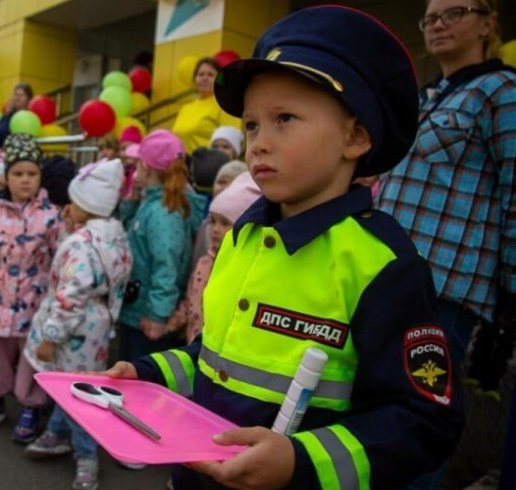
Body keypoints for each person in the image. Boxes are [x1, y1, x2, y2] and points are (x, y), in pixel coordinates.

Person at [104, 7, 463, 489]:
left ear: (355, 136)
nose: (258, 144)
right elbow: (216, 361)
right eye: (252, 125)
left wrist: (300, 460)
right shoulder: (241, 236)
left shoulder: (382, 265)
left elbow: (423, 422)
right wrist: (149, 374)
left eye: (284, 119)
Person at [378, 0, 515, 394]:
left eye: (454, 14)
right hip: (390, 272)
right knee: (377, 402)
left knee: (421, 410)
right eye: (430, 19)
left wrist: (511, 288)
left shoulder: (502, 90)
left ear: (487, 23)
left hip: (445, 287)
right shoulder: (429, 95)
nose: (438, 25)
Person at [23, 158, 133, 490]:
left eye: (75, 202)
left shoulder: (80, 244)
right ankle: (57, 433)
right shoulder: (115, 237)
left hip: (74, 330)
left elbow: (70, 296)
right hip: (97, 327)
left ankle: (87, 457)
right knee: (72, 386)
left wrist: (51, 336)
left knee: (79, 395)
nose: (69, 207)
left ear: (86, 206)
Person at [0, 133, 62, 443]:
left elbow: (62, 259)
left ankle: (31, 405)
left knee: (30, 358)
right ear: (7, 177)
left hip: (33, 304)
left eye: (32, 174)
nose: (25, 180)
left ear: (40, 176)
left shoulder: (50, 216)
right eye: (18, 174)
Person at [117, 130, 205, 362]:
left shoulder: (163, 211)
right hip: (137, 311)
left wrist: (157, 314)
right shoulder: (153, 201)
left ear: (145, 168)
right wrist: (132, 199)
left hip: (147, 320)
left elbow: (166, 266)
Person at [168, 174, 261, 344]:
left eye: (225, 223)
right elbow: (191, 298)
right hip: (194, 347)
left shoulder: (246, 271)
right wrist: (175, 321)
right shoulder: (205, 262)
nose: (216, 230)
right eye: (213, 221)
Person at [171, 57, 241, 155]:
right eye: (201, 74)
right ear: (195, 79)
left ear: (219, 79)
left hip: (209, 164)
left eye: (210, 75)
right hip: (183, 165)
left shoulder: (225, 105)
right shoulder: (186, 108)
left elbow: (231, 141)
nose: (205, 78)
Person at [0, 82, 33, 152]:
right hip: (1, 155)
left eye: (21, 95)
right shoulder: (7, 115)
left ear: (28, 99)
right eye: (16, 94)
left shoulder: (30, 118)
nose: (18, 97)